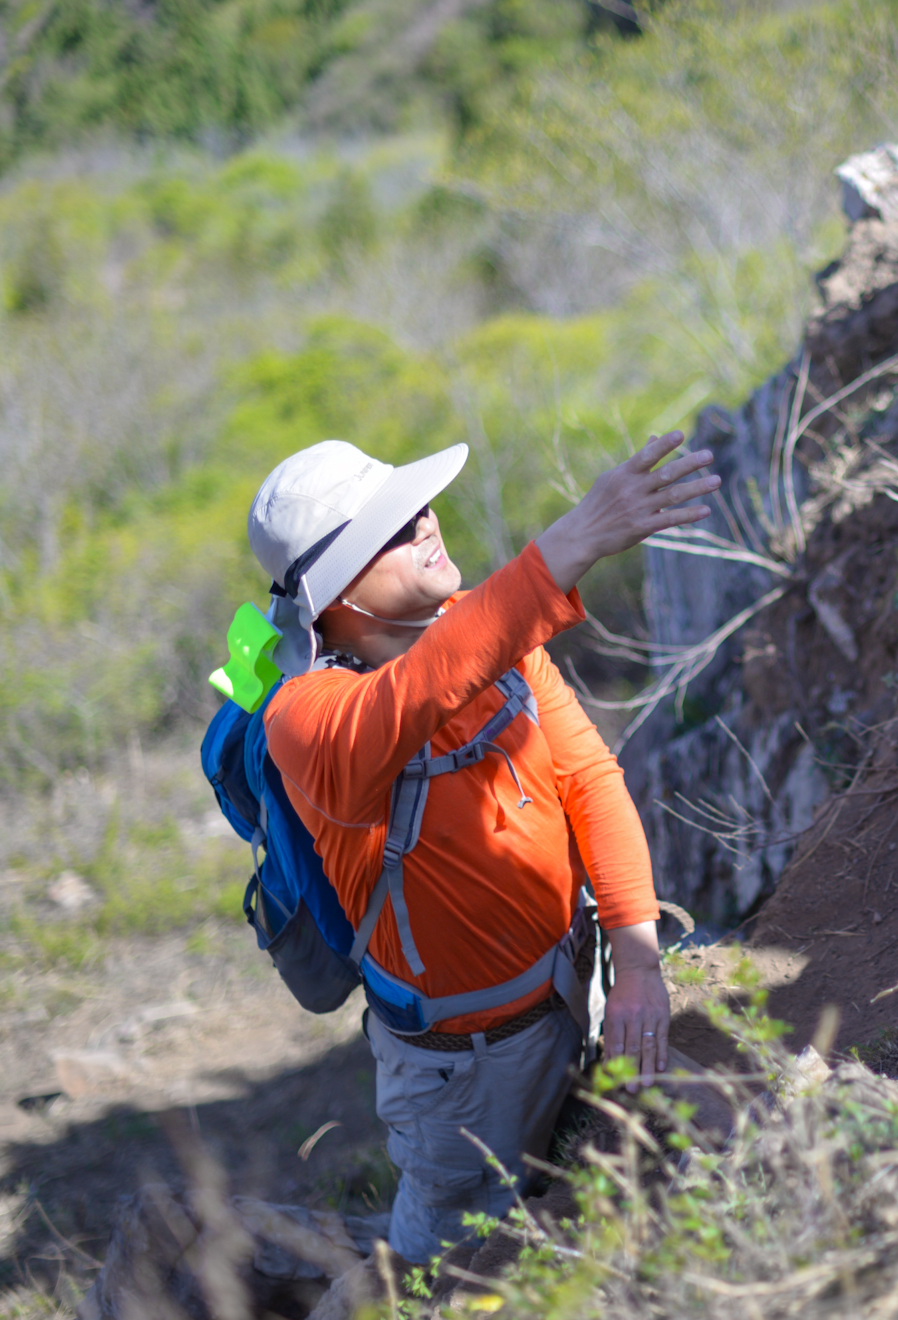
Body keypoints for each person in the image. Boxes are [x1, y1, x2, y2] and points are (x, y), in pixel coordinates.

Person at [244, 431, 720, 1263]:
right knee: (439, 1273)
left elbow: (588, 780)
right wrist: (569, 545)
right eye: (392, 528)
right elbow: (413, 693)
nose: (427, 522)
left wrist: (638, 961)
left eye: (417, 506)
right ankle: (279, 1261)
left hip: (583, 986)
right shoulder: (304, 718)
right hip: (461, 1081)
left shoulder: (483, 634)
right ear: (335, 596)